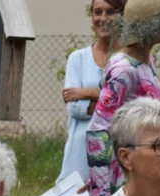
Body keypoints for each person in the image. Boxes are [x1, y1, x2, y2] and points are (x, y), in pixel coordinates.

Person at [85, 0, 160, 196]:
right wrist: (102, 190)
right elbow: (98, 129)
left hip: (149, 166)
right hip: (127, 174)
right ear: (149, 26)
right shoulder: (124, 70)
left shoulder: (148, 61)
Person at [60, 0, 126, 185]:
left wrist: (89, 93)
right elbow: (74, 108)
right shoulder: (78, 59)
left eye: (110, 12)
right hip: (80, 157)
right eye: (98, 12)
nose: (103, 18)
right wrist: (114, 104)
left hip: (117, 156)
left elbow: (132, 110)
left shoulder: (128, 60)